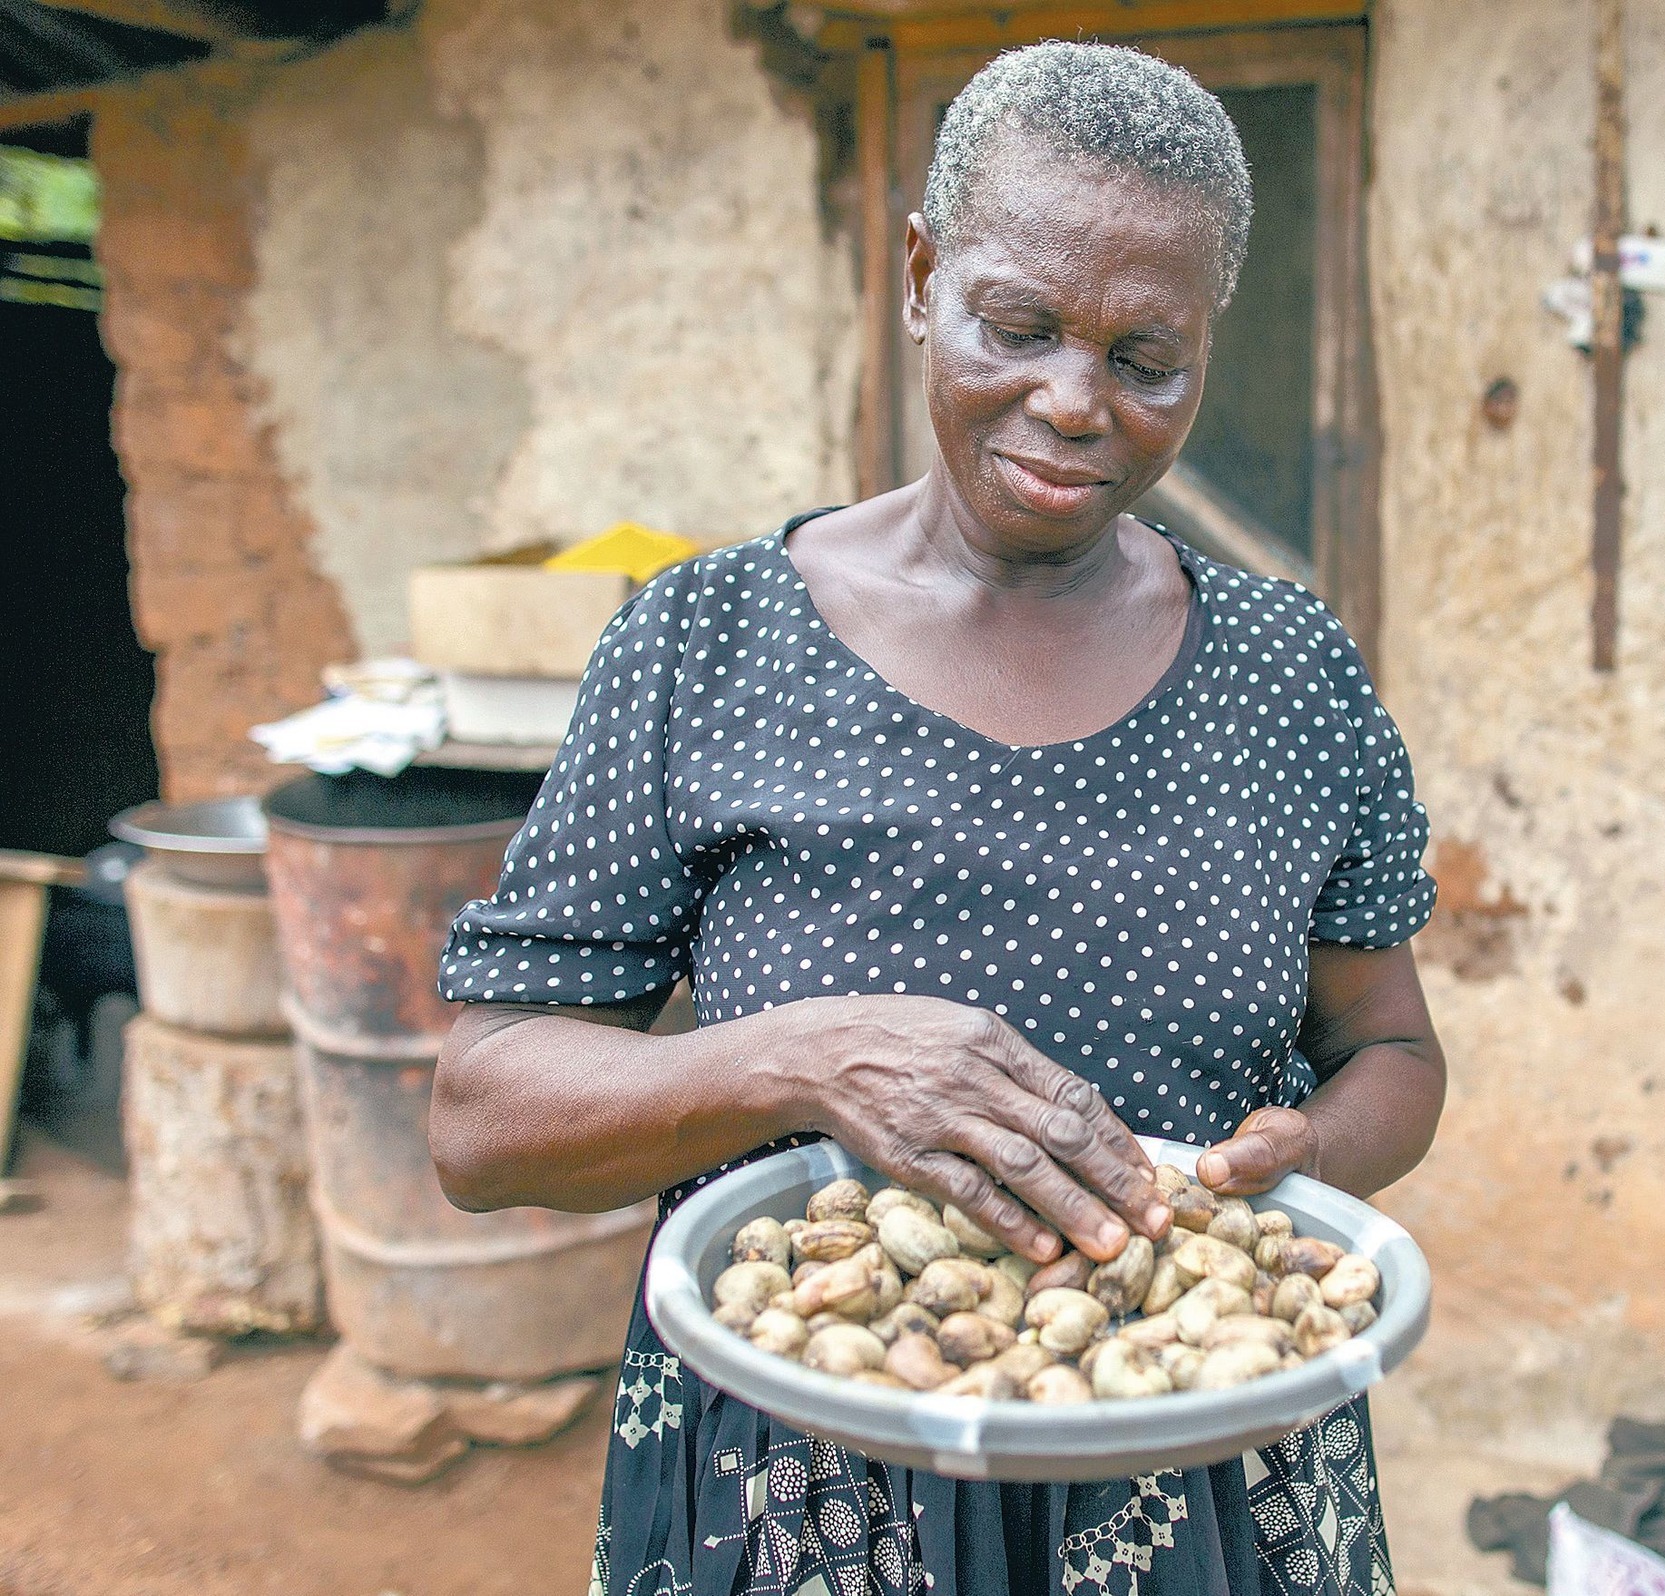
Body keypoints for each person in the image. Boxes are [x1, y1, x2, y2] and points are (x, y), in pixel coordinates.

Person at [433, 39, 1446, 1596]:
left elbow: (1392, 1049)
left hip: (1200, 1447)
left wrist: (1306, 1160)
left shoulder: (1289, 672)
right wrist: (801, 1059)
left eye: (1144, 357)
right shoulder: (706, 642)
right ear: (920, 277)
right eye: (1016, 324)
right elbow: (484, 1118)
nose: (1070, 402)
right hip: (813, 1485)